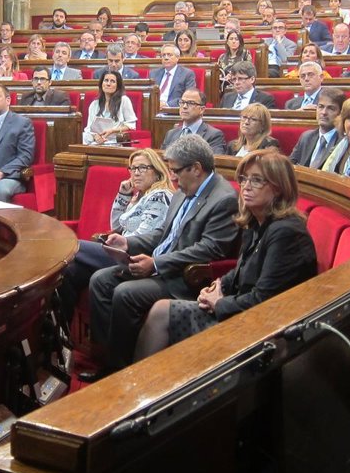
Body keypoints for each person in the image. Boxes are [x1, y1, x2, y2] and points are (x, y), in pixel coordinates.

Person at [136, 150, 318, 358]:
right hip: (240, 310)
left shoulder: (285, 233)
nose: (246, 186)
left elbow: (265, 300)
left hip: (260, 328)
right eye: (244, 179)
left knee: (161, 313)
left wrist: (219, 303)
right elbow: (241, 268)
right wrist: (219, 285)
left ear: (278, 188)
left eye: (257, 180)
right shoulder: (256, 222)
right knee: (160, 310)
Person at [86, 134, 240, 375]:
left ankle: (122, 370)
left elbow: (210, 249)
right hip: (161, 265)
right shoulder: (183, 190)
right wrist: (128, 242)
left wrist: (156, 263)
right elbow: (164, 234)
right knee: (100, 281)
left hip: (183, 277)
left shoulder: (223, 199)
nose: (172, 177)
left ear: (196, 168)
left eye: (176, 171)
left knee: (125, 293)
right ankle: (109, 359)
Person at [55, 148, 174, 321]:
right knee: (69, 272)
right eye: (133, 168)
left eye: (142, 168)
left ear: (157, 172)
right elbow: (117, 225)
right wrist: (124, 195)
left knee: (71, 246)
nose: (136, 173)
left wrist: (120, 242)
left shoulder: (160, 196)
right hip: (120, 251)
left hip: (134, 256)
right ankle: (63, 330)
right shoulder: (140, 196)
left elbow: (143, 237)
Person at [290, 87, 346, 168]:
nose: (324, 112)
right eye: (321, 107)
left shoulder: (343, 142)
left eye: (331, 108)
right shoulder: (306, 137)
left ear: (340, 113)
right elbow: (290, 166)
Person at [161, 89, 228, 154]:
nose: (184, 106)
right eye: (182, 102)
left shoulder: (214, 135)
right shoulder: (171, 134)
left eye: (191, 103)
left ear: (202, 109)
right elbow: (162, 158)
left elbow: (214, 160)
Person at [82, 71, 137, 145]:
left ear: (118, 85)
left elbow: (131, 125)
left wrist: (112, 131)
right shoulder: (94, 104)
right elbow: (89, 128)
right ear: (101, 83)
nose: (108, 84)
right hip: (96, 141)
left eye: (112, 81)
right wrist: (95, 136)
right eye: (106, 80)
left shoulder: (124, 100)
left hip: (115, 140)